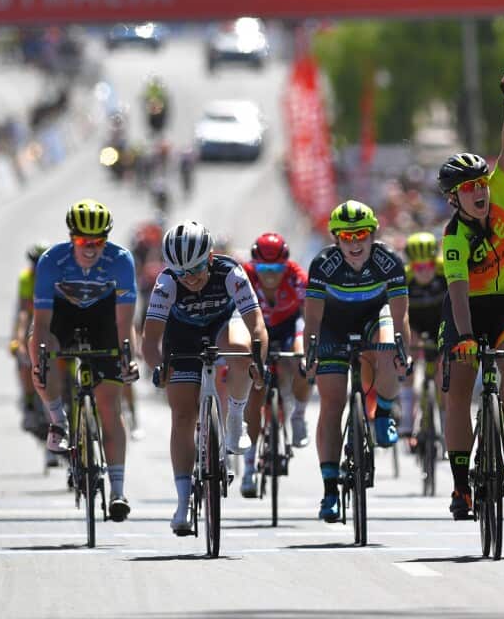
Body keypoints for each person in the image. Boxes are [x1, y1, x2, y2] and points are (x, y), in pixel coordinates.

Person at [438, 72, 504, 521]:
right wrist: (463, 338)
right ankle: (461, 486)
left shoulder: (497, 192)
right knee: (459, 386)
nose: (479, 191)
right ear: (454, 199)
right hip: (465, 310)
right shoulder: (454, 238)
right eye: (469, 188)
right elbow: (458, 291)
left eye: (481, 184)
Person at [140, 221, 269, 535]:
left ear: (210, 257)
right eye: (182, 271)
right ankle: (183, 502)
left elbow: (257, 327)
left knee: (241, 349)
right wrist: (158, 368)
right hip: (181, 337)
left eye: (196, 268)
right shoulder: (166, 283)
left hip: (224, 326)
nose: (191, 278)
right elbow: (149, 340)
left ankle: (235, 419)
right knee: (182, 414)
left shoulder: (232, 274)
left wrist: (258, 364)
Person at [28, 200, 140, 522]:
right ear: (71, 237)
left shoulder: (121, 261)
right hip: (63, 317)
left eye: (97, 242)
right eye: (82, 241)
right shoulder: (52, 261)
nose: (90, 248)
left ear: (106, 239)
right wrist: (42, 359)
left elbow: (124, 321)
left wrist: (125, 356)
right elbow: (43, 321)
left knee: (109, 406)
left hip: (105, 320)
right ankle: (58, 420)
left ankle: (118, 490)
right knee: (38, 348)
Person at [303, 200, 409, 522]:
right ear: (336, 238)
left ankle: (384, 413)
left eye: (361, 234)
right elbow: (313, 317)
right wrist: (310, 351)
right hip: (332, 327)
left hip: (374, 319)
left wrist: (404, 349)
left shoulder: (388, 260)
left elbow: (401, 312)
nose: (354, 243)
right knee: (332, 404)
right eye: (346, 237)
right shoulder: (323, 264)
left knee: (389, 345)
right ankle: (330, 489)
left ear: (372, 234)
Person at [239, 232, 312, 498]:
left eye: (276, 269)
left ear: (286, 264)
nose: (270, 275)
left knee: (303, 359)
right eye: (264, 269)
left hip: (288, 326)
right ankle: (248, 467)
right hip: (257, 329)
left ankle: (299, 414)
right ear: (255, 265)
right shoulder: (244, 275)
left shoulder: (297, 276)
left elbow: (310, 312)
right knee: (255, 389)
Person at [403, 231, 448, 449]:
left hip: (441, 322)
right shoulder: (405, 278)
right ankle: (408, 422)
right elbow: (399, 313)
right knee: (408, 362)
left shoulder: (445, 271)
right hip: (416, 325)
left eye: (429, 265)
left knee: (442, 375)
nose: (425, 271)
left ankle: (445, 421)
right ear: (412, 265)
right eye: (419, 267)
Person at [11, 241, 55, 465]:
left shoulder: (59, 274)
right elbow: (22, 314)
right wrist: (18, 341)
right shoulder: (26, 279)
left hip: (56, 325)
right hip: (34, 323)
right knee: (25, 358)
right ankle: (29, 403)